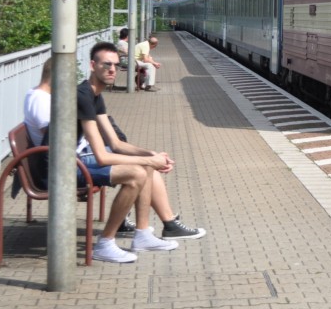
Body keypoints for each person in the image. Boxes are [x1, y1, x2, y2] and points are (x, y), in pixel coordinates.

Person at [22, 55, 205, 259]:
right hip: (64, 166)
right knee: (136, 173)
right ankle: (109, 242)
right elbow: (61, 139)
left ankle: (144, 233)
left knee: (144, 166)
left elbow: (84, 138)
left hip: (74, 157)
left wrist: (150, 156)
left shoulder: (62, 98)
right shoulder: (43, 100)